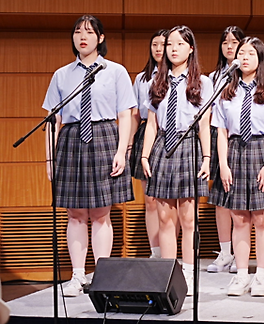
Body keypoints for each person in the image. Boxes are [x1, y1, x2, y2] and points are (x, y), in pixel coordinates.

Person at [42, 15, 136, 297]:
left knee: (101, 213)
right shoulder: (61, 75)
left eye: (89, 32)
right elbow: (52, 120)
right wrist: (49, 159)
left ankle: (102, 275)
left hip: (105, 137)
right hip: (71, 141)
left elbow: (125, 115)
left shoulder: (115, 71)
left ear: (100, 38)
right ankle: (77, 276)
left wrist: (122, 151)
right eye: (77, 32)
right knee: (75, 213)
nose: (82, 36)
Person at [214, 37, 264, 297]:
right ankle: (241, 275)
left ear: (260, 59)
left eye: (251, 53)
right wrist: (223, 165)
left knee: (260, 217)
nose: (245, 57)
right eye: (241, 52)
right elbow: (221, 131)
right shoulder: (226, 89)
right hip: (234, 151)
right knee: (238, 218)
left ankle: (260, 275)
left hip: (261, 149)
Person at [141, 25, 212, 295]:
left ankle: (189, 272)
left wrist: (206, 158)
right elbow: (150, 125)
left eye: (180, 44)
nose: (172, 49)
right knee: (164, 217)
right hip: (162, 147)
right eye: (170, 44)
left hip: (188, 146)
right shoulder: (156, 82)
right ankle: (169, 274)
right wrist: (145, 155)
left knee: (188, 218)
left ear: (191, 48)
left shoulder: (203, 83)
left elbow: (205, 125)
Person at [207, 26, 245, 274]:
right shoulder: (213, 76)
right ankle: (225, 252)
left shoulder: (251, 74)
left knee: (243, 200)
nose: (229, 46)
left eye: (234, 42)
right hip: (217, 136)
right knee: (221, 197)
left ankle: (244, 254)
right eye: (225, 42)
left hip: (244, 140)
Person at [130, 29, 167, 259]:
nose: (158, 49)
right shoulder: (142, 78)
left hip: (170, 134)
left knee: (170, 200)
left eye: (163, 44)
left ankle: (170, 249)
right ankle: (156, 252)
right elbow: (135, 113)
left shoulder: (180, 77)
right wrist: (129, 145)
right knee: (151, 200)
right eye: (154, 44)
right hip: (146, 133)